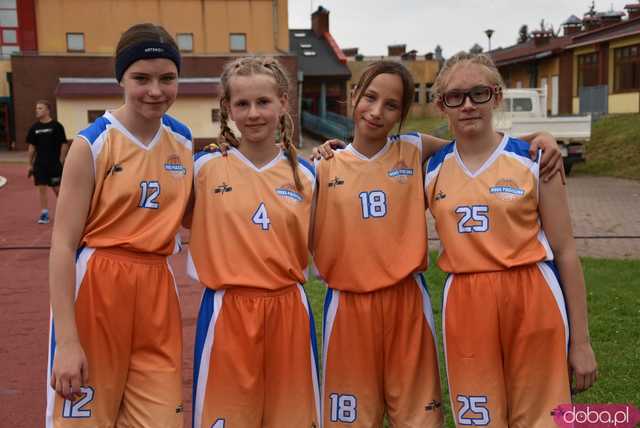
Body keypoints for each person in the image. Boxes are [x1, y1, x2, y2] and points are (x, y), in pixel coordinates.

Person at [311, 61, 564, 428]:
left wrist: (542, 137)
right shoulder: (322, 165)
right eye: (369, 97)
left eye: (392, 105)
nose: (377, 111)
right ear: (354, 97)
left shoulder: (414, 149)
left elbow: (479, 147)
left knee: (419, 418)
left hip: (407, 303)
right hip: (348, 307)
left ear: (404, 113)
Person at [425, 52, 597, 427]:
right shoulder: (431, 168)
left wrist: (581, 342)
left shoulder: (535, 160)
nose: (468, 105)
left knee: (542, 419)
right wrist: (331, 149)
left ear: (497, 96)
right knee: (479, 417)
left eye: (479, 93)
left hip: (532, 296)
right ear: (442, 105)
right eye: (455, 96)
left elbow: (566, 252)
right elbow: (378, 151)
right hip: (466, 303)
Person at [47, 23, 192, 427]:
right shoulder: (92, 143)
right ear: (121, 79)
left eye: (168, 78)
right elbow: (61, 245)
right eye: (141, 78)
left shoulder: (182, 141)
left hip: (157, 290)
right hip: (97, 287)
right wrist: (68, 341)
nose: (155, 90)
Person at [187, 57, 320, 428]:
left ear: (283, 103)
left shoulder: (306, 176)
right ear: (227, 108)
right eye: (242, 104)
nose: (253, 113)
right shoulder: (203, 169)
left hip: (288, 311)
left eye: (263, 102)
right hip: (227, 312)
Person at [26, 100, 69, 224]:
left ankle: (66, 212)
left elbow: (63, 144)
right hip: (40, 164)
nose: (37, 110)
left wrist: (60, 161)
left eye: (40, 108)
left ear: (47, 110)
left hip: (54, 164)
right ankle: (44, 213)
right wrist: (30, 164)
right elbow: (32, 147)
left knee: (57, 189)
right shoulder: (34, 128)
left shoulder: (56, 126)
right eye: (37, 108)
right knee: (42, 188)